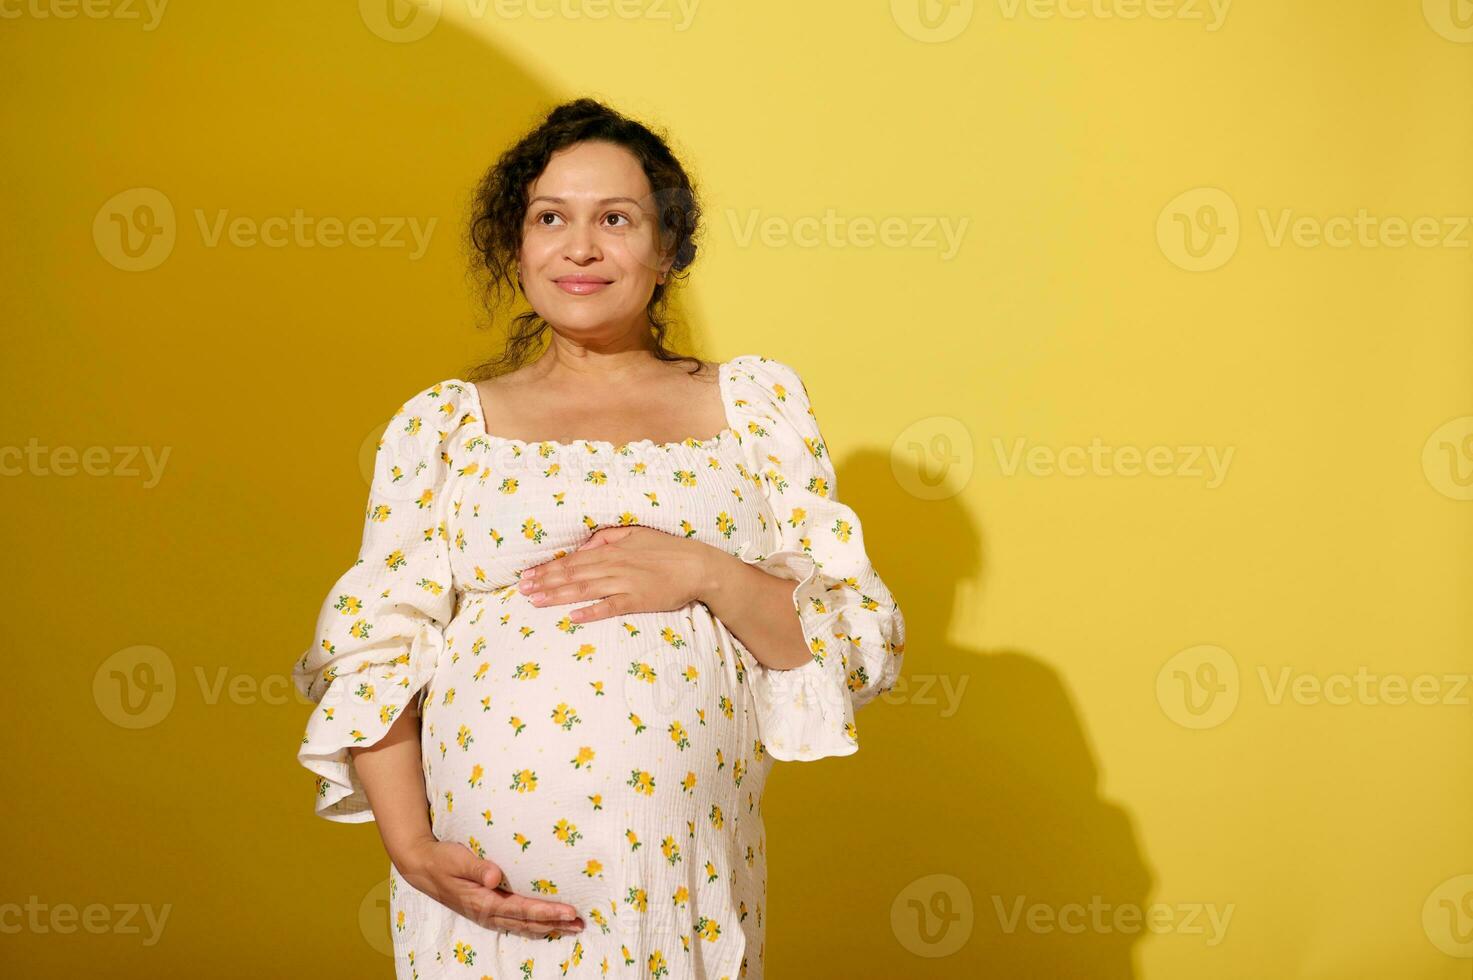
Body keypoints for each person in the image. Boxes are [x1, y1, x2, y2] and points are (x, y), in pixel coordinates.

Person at [291, 97, 906, 979]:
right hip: (482, 898)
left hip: (678, 890)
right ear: (518, 247)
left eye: (615, 219)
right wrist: (413, 849)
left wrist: (705, 571)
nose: (580, 248)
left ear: (668, 252)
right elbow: (377, 653)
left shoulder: (753, 410)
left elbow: (848, 651)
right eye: (551, 218)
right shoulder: (445, 428)